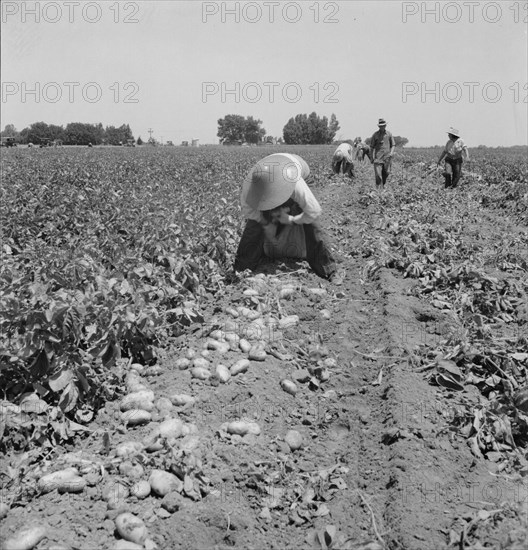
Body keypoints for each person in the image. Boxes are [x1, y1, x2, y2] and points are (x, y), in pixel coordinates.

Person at [234, 153, 341, 283]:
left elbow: (313, 216)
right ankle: (242, 267)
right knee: (255, 226)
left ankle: (329, 268)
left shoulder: (296, 184)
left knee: (310, 225)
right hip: (271, 172)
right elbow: (254, 222)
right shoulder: (250, 189)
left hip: (300, 173)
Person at [369, 118, 395, 189]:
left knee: (386, 173)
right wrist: (371, 158)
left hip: (387, 158)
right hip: (378, 158)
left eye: (383, 125)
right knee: (378, 175)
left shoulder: (389, 134)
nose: (382, 127)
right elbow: (371, 147)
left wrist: (391, 153)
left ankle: (382, 186)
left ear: (385, 126)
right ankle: (378, 189)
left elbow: (393, 145)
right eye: (380, 126)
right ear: (378, 126)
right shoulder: (375, 135)